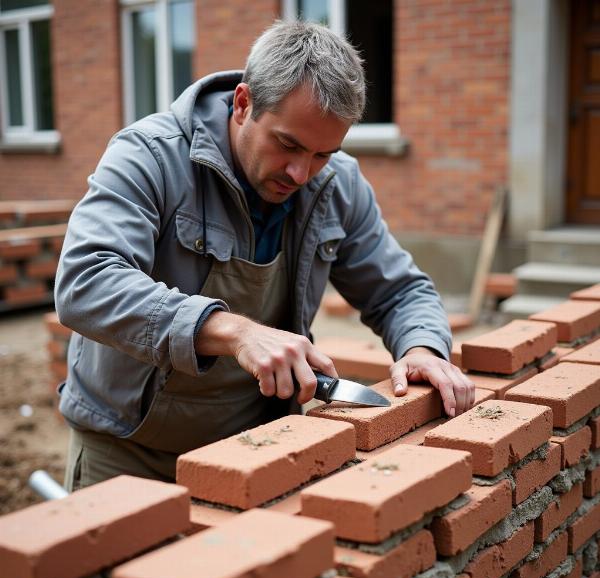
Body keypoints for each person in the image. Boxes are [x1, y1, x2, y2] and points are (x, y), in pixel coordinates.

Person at [55, 20, 475, 491]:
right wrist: (234, 331)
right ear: (243, 104)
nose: (300, 172)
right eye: (288, 145)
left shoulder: (338, 184)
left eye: (322, 154)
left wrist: (422, 348)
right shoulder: (150, 156)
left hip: (256, 448)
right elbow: (85, 282)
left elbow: (400, 290)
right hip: (129, 449)